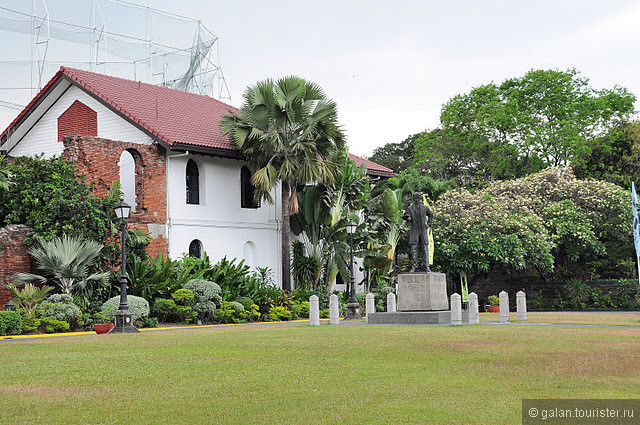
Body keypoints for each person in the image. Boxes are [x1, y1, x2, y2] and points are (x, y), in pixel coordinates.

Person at [403, 192, 433, 272]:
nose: (416, 200)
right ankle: (414, 266)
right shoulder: (410, 208)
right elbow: (407, 215)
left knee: (425, 250)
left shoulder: (425, 208)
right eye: (415, 198)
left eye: (418, 198)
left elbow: (431, 214)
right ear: (413, 199)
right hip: (414, 231)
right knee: (414, 250)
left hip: (423, 231)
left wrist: (429, 224)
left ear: (420, 199)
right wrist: (408, 218)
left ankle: (426, 266)